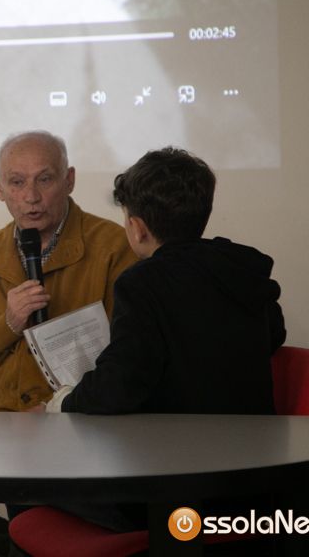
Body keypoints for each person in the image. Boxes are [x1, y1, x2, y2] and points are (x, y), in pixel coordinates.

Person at [44, 146, 286, 532]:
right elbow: (273, 335)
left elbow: (121, 385)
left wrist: (65, 402)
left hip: (173, 491)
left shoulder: (143, 284)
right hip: (254, 485)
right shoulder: (240, 269)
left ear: (137, 227)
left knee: (26, 482)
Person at [0, 130, 138, 556]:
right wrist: (6, 324)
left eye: (45, 179)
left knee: (36, 497)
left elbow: (133, 360)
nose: (31, 197)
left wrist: (54, 409)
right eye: (17, 182)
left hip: (78, 429)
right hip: (1, 429)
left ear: (69, 179)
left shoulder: (114, 249)